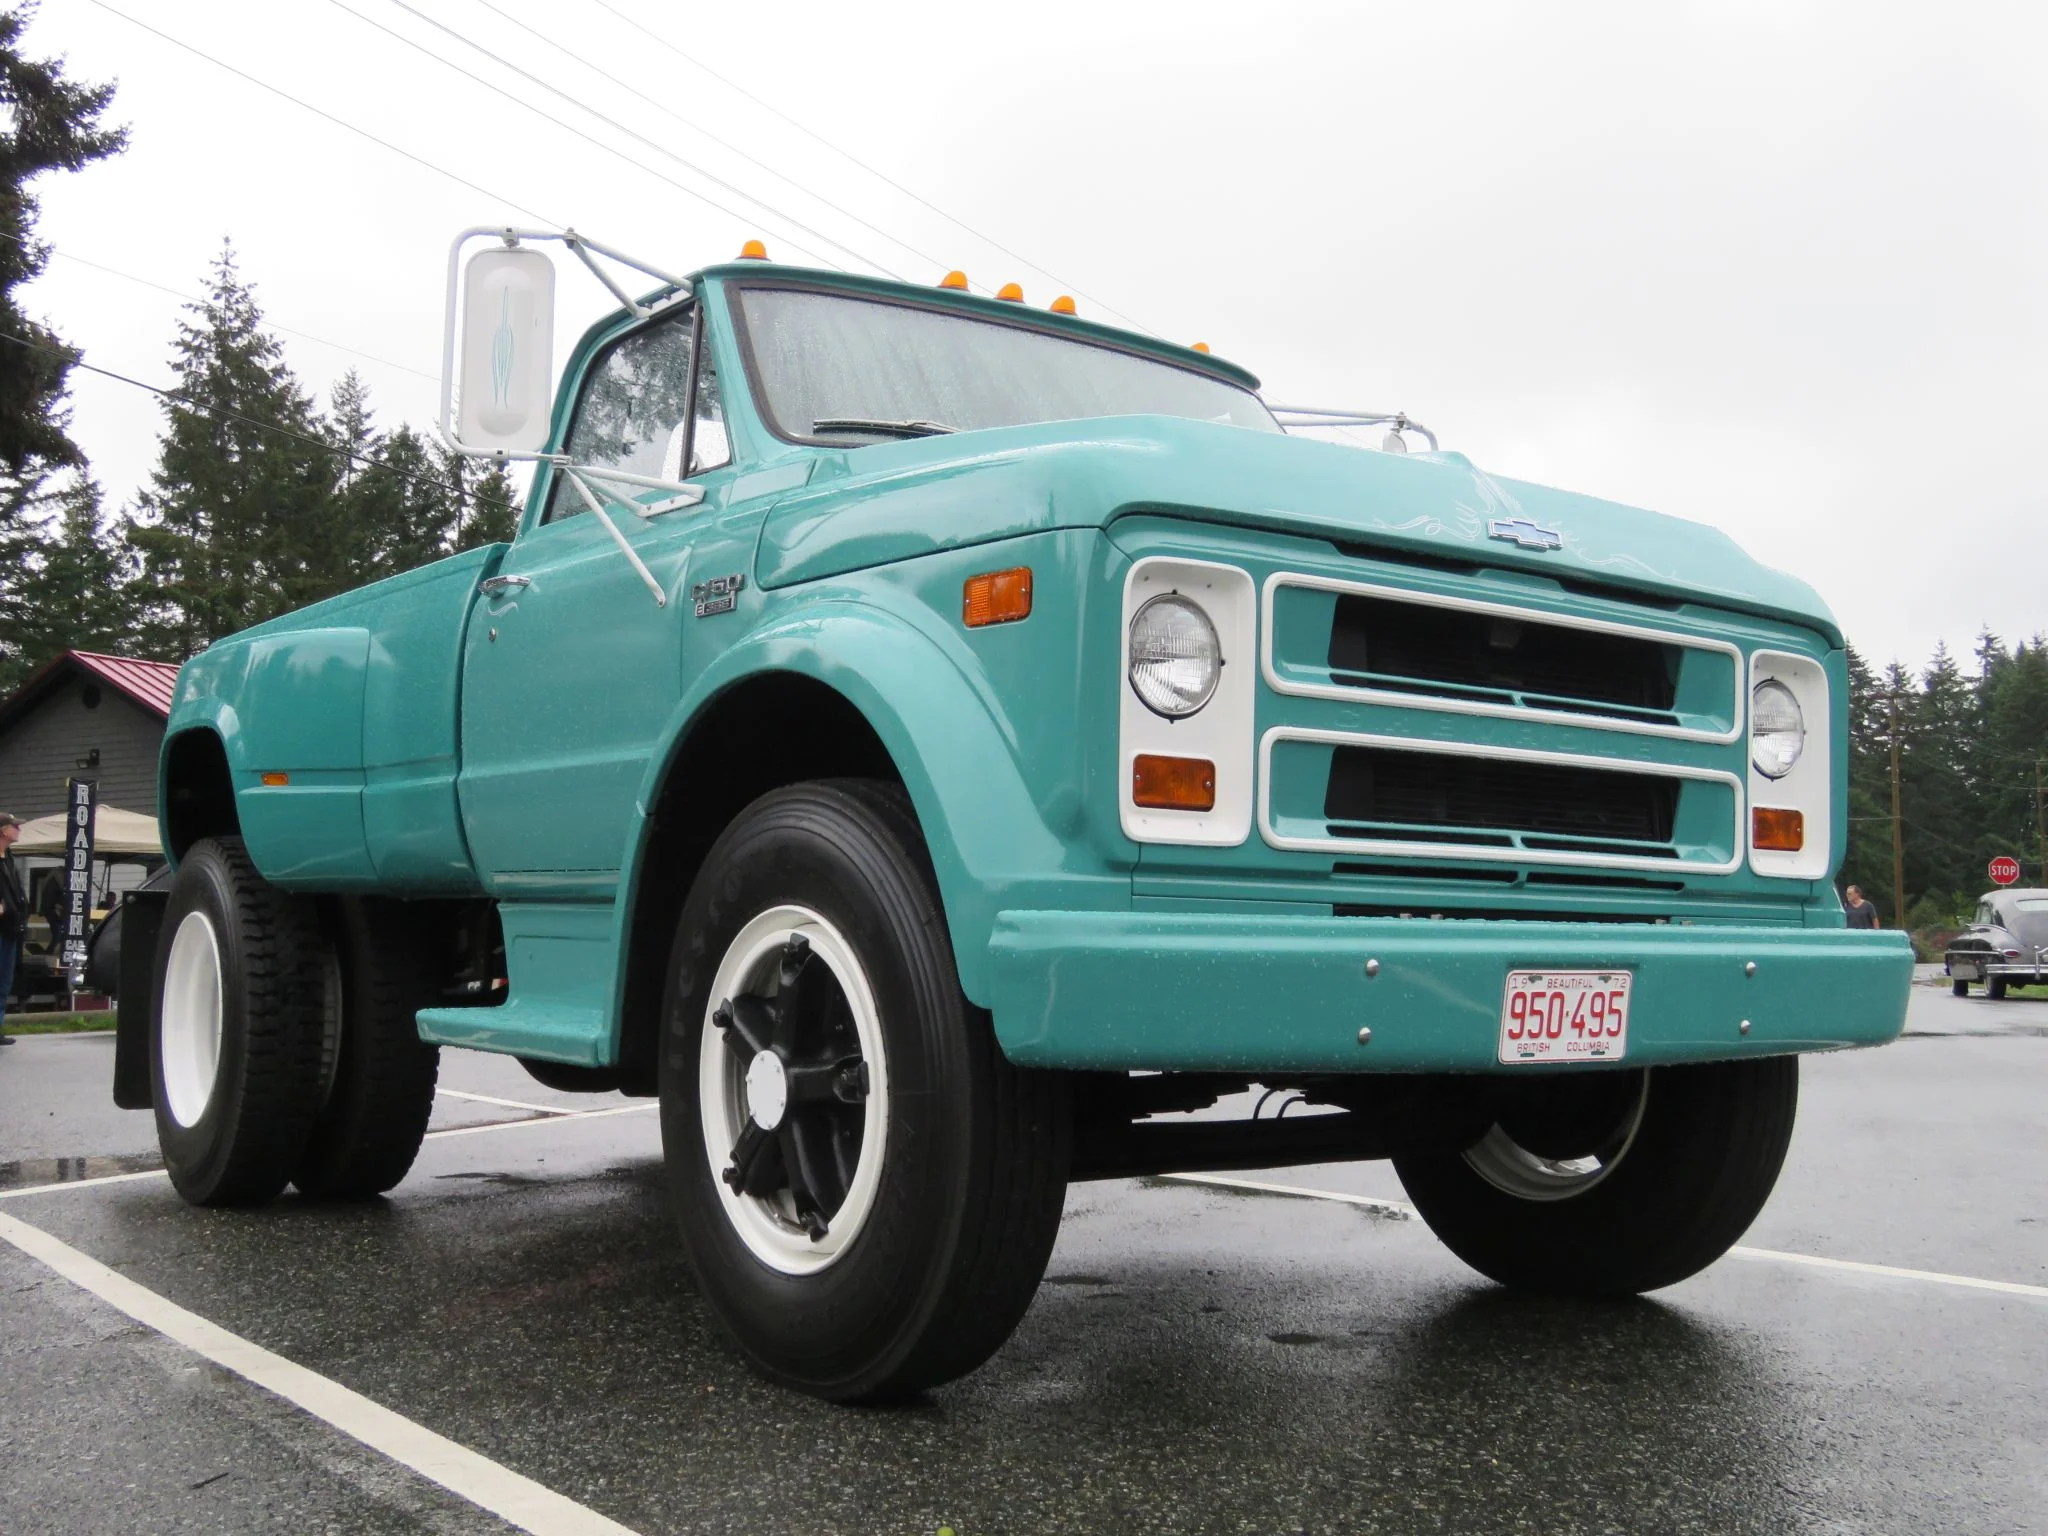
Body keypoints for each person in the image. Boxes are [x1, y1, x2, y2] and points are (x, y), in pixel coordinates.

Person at [0, 812, 24, 1044]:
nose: (18, 829)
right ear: (2, 830)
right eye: (14, 826)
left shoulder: (9, 857)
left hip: (10, 927)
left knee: (4, 981)